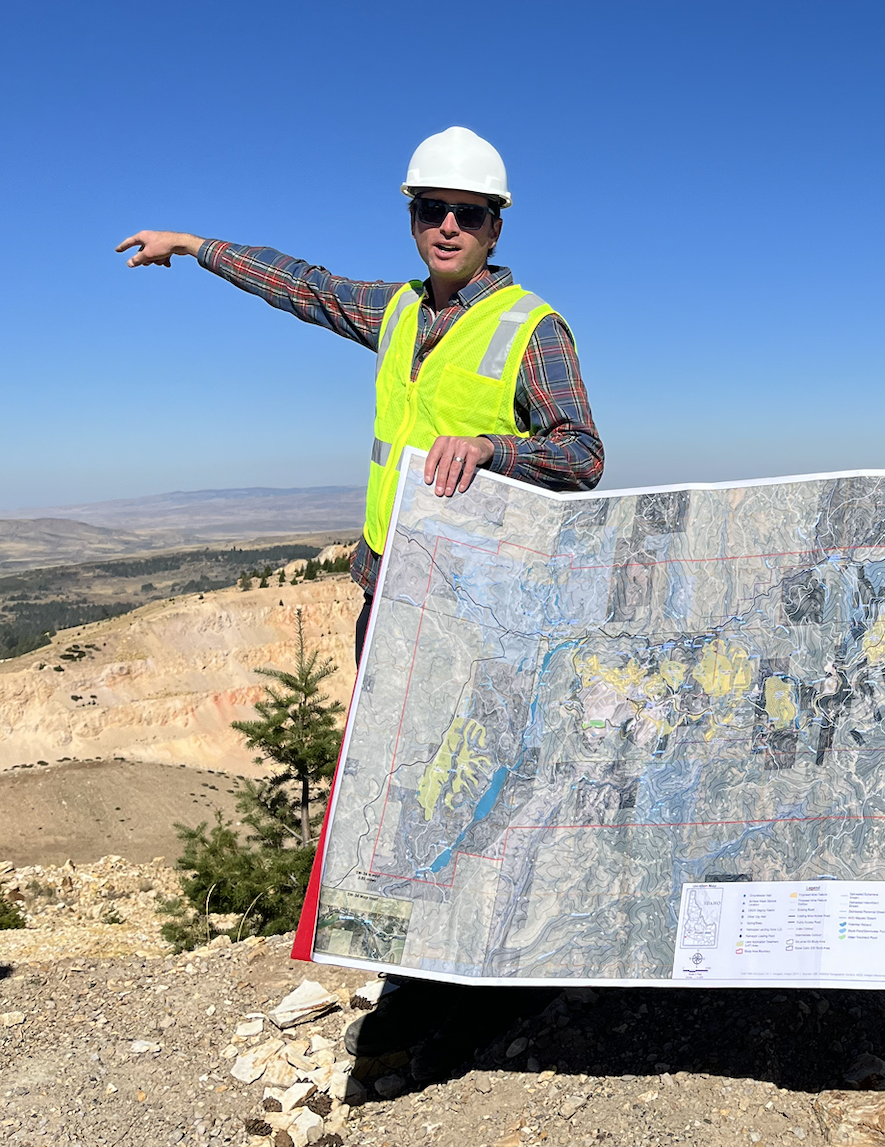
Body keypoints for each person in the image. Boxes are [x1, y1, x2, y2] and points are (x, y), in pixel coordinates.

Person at [115, 125, 604, 1070]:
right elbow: (303, 284)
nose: (449, 227)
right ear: (414, 218)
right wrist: (195, 246)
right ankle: (423, 975)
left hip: (478, 607)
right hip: (390, 592)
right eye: (433, 211)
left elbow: (581, 454)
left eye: (468, 214)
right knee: (404, 789)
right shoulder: (393, 311)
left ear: (497, 226)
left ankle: (481, 980)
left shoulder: (532, 328)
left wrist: (497, 451)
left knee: (467, 781)